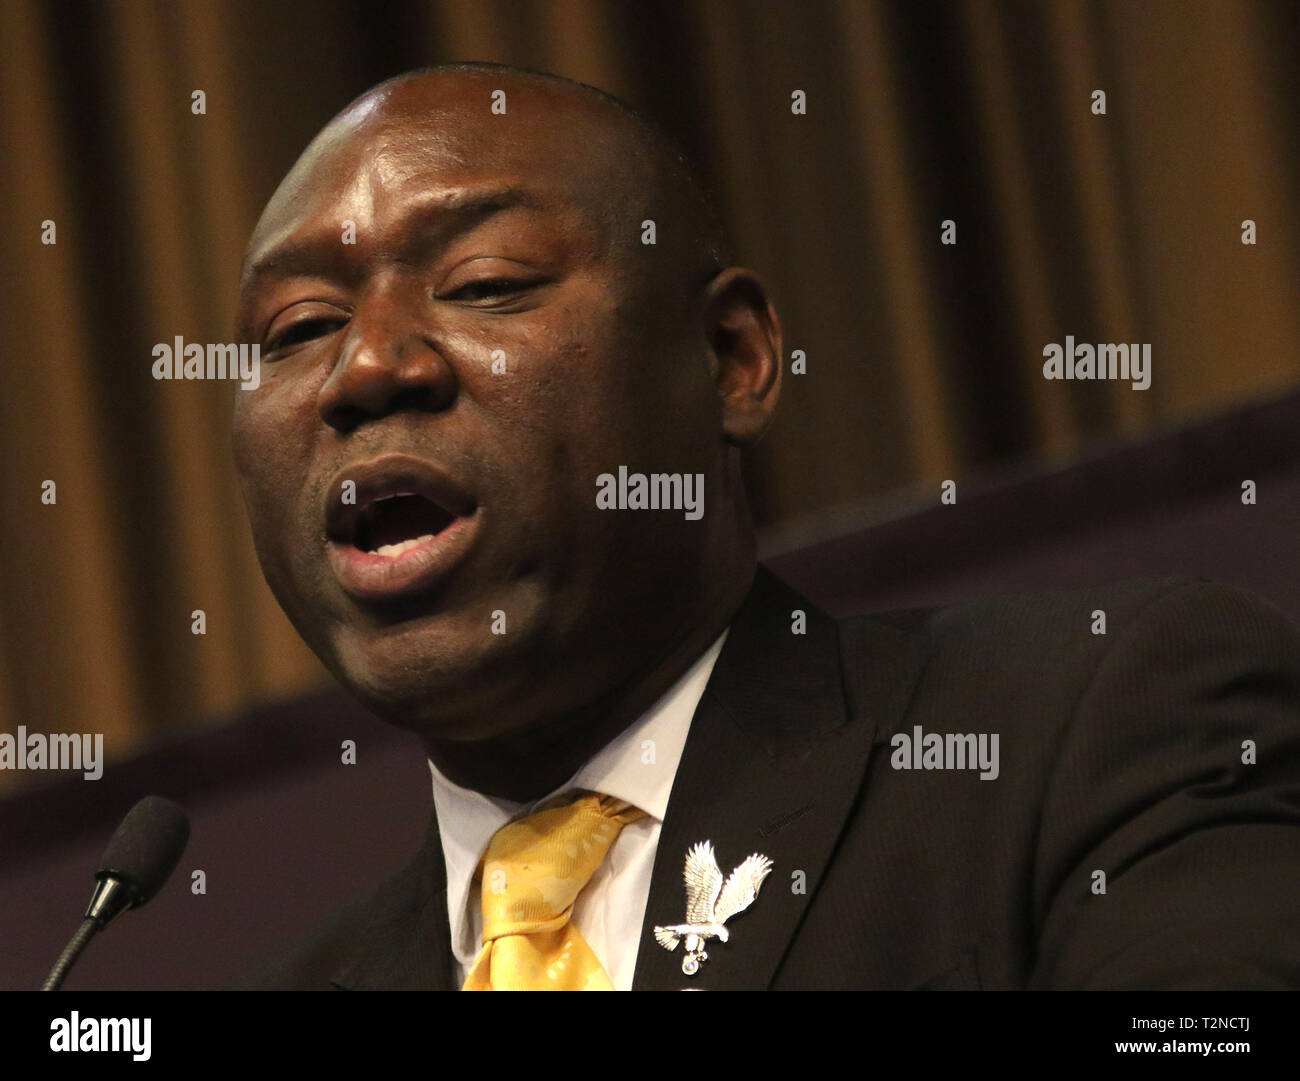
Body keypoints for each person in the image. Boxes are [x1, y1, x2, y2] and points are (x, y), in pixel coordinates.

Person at [232, 62, 1300, 990]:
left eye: (486, 281)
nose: (367, 366)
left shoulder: (1098, 728)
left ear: (731, 359)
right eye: (301, 328)